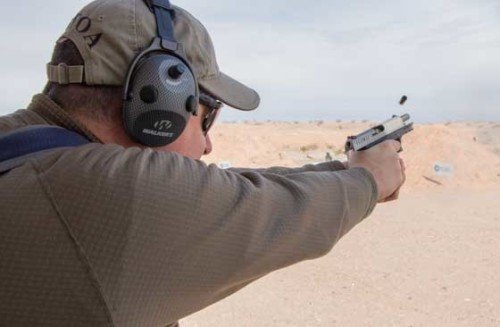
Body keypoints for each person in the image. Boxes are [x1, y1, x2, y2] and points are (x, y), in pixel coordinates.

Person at [0, 0, 405, 326]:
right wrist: (370, 178)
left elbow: (238, 188)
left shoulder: (24, 150)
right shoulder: (108, 194)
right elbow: (270, 209)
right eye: (205, 114)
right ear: (159, 99)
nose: (208, 144)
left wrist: (345, 169)